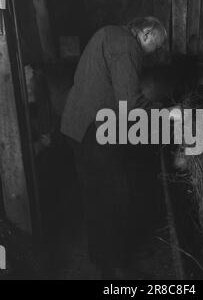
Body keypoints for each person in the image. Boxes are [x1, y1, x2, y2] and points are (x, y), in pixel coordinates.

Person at [61, 17, 168, 279]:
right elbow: (130, 104)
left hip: (78, 126)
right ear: (147, 32)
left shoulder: (109, 34)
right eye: (158, 44)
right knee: (116, 196)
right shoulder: (126, 45)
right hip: (93, 130)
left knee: (96, 195)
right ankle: (118, 267)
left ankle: (103, 258)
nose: (156, 51)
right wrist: (168, 114)